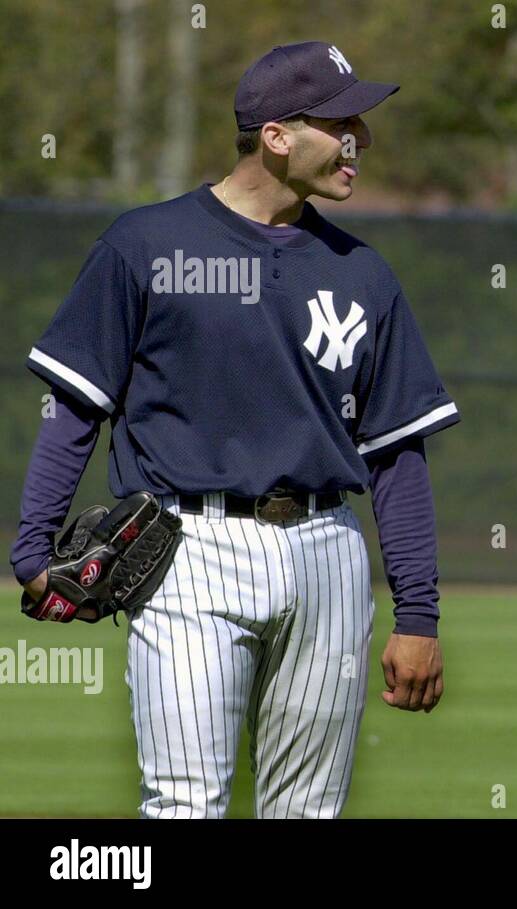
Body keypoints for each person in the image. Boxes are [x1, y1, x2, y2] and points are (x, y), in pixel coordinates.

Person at [11, 41, 459, 818]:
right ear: (278, 135)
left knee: (306, 811)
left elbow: (396, 456)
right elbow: (77, 406)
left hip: (328, 554)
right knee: (184, 803)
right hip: (187, 551)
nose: (363, 138)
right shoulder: (145, 245)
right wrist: (30, 552)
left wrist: (416, 614)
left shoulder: (363, 273)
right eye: (343, 119)